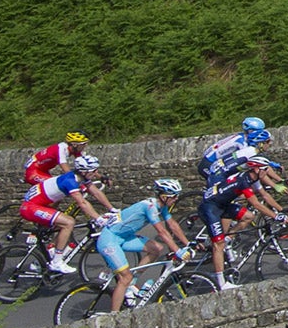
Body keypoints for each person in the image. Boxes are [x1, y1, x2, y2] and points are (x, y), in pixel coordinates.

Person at [96, 179, 192, 312]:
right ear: (164, 197)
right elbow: (162, 231)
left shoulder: (162, 207)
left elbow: (173, 225)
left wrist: (188, 243)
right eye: (174, 196)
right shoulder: (150, 207)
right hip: (110, 239)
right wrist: (177, 251)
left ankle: (132, 284)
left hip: (124, 237)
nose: (176, 199)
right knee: (125, 277)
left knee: (156, 249)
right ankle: (114, 316)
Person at [20, 154, 116, 276]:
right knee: (68, 222)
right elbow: (82, 202)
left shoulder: (80, 177)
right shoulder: (70, 181)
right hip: (30, 207)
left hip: (38, 205)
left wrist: (112, 209)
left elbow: (96, 192)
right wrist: (98, 219)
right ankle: (57, 262)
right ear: (84, 172)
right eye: (94, 171)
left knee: (58, 227)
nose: (96, 173)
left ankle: (43, 259)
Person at [25, 133, 90, 186]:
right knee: (56, 187)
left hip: (43, 171)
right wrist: (80, 185)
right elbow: (67, 171)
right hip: (33, 172)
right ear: (74, 144)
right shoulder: (60, 149)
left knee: (57, 194)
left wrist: (99, 177)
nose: (85, 146)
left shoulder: (74, 150)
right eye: (83, 144)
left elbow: (86, 165)